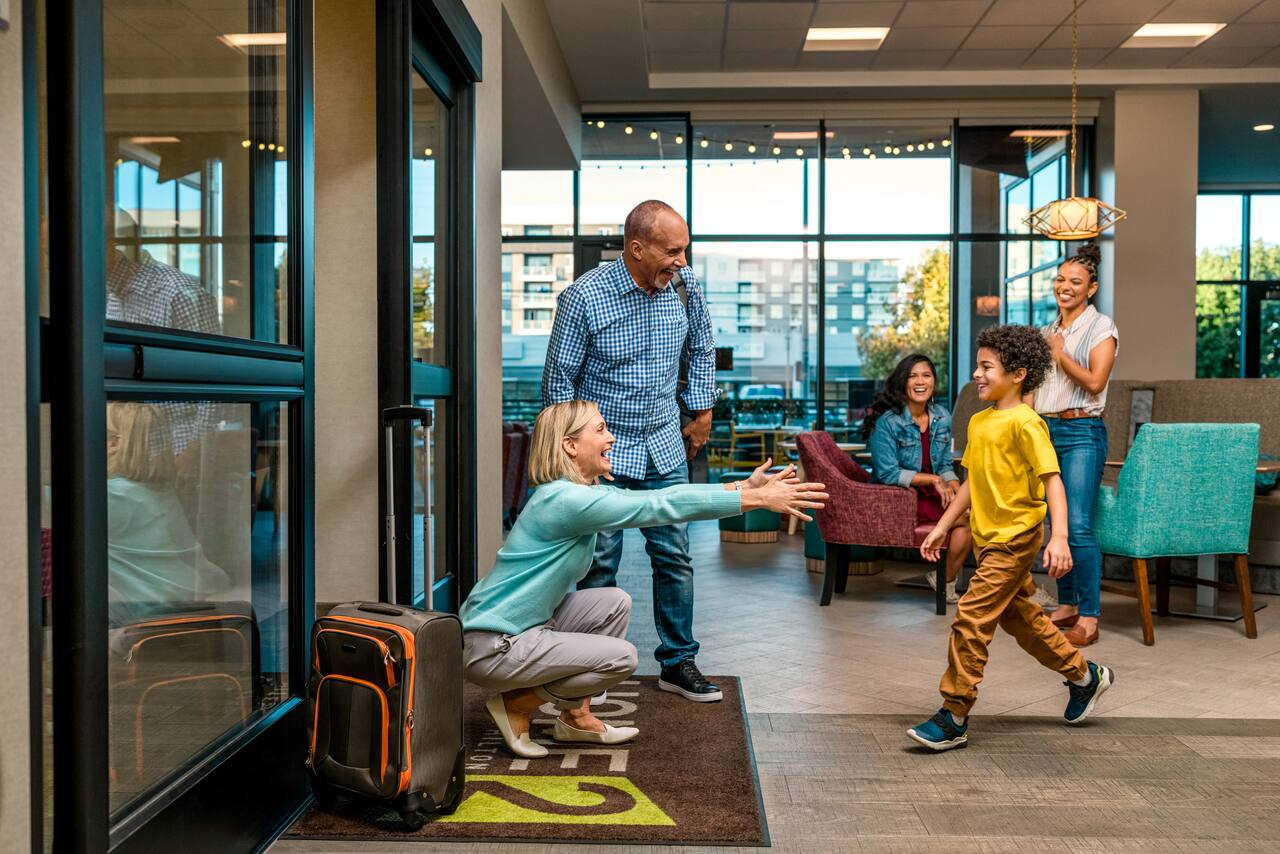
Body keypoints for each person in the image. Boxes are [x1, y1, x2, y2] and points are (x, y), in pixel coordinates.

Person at [459, 401, 826, 758]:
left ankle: (575, 717)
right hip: (495, 645)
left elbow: (661, 495)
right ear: (570, 445)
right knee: (620, 658)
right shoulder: (566, 502)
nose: (612, 438)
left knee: (612, 602)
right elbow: (657, 506)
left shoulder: (574, 494)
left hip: (524, 628)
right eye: (600, 429)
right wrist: (756, 499)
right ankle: (516, 704)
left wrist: (741, 487)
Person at [542, 200, 723, 702]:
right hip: (602, 454)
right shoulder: (584, 297)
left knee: (675, 555)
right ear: (636, 248)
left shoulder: (686, 289)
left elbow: (702, 349)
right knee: (599, 561)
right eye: (672, 251)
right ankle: (594, 666)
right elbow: (559, 382)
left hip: (664, 444)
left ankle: (678, 661)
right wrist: (568, 456)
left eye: (684, 250)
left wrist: (701, 411)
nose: (681, 261)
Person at [909, 326, 1114, 752]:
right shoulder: (981, 422)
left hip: (1016, 540)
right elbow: (970, 483)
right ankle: (1084, 677)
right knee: (1024, 622)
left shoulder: (1027, 423)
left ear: (1018, 373)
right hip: (987, 541)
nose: (978, 375)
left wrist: (1058, 538)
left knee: (971, 618)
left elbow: (1052, 481)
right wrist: (945, 526)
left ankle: (955, 714)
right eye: (978, 366)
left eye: (987, 367)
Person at [1034, 244, 1118, 648]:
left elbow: (1095, 382)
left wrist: (1060, 355)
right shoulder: (1048, 331)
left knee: (1080, 525)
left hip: (1082, 431)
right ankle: (1066, 605)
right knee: (1058, 525)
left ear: (1091, 288)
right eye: (1061, 280)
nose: (1064, 288)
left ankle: (1089, 615)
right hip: (1046, 432)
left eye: (1075, 282)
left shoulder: (1101, 328)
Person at [106, 402, 230, 622]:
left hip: (149, 614)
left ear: (113, 444)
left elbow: (39, 504)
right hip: (186, 598)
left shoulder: (116, 495)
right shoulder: (158, 490)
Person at [863, 354, 972, 603]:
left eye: (926, 375)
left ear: (933, 381)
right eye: (913, 376)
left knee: (972, 513)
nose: (920, 381)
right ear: (903, 382)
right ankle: (946, 582)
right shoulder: (887, 422)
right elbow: (888, 473)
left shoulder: (941, 416)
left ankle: (946, 580)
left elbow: (944, 465)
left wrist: (959, 492)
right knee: (965, 521)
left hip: (931, 493)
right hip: (899, 498)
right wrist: (935, 481)